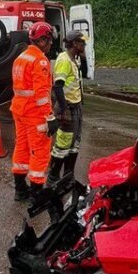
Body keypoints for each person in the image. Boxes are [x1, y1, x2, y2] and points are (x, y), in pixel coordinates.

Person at [10, 21, 56, 204]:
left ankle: (20, 190)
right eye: (50, 39)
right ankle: (37, 194)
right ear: (43, 40)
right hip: (35, 113)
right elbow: (41, 94)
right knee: (40, 151)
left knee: (21, 147)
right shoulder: (40, 61)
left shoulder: (21, 57)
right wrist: (50, 117)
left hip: (19, 110)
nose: (52, 43)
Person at [47, 30, 86, 185]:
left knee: (74, 143)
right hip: (67, 107)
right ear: (74, 43)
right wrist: (63, 109)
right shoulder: (64, 60)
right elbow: (57, 87)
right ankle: (53, 177)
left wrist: (82, 60)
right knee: (63, 144)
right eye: (82, 42)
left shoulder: (74, 59)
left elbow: (85, 75)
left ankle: (68, 176)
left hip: (76, 107)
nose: (84, 45)